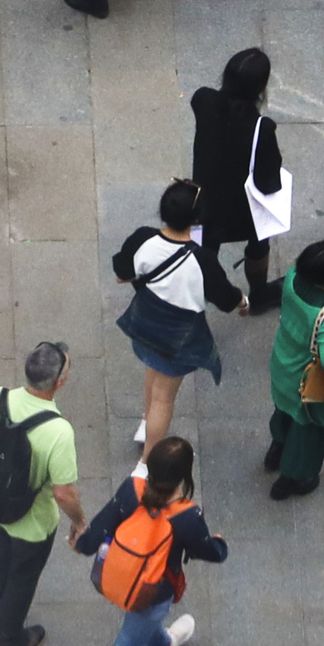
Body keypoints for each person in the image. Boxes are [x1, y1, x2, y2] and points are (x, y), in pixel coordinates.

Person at [66, 434, 223, 646]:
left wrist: (82, 544)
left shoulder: (131, 489)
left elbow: (98, 530)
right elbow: (210, 552)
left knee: (142, 626)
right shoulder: (187, 515)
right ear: (184, 475)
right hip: (152, 591)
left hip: (116, 576)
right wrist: (219, 544)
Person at [0, 342, 85, 646]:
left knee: (1, 546)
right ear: (59, 383)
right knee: (23, 575)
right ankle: (5, 642)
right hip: (33, 519)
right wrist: (79, 521)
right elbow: (63, 493)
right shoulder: (58, 431)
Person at [113, 185, 223, 456]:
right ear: (195, 219)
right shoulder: (202, 259)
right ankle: (147, 461)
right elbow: (225, 298)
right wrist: (243, 302)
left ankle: (146, 421)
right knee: (164, 396)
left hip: (145, 324)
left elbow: (121, 274)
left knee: (153, 370)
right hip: (178, 338)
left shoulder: (143, 238)